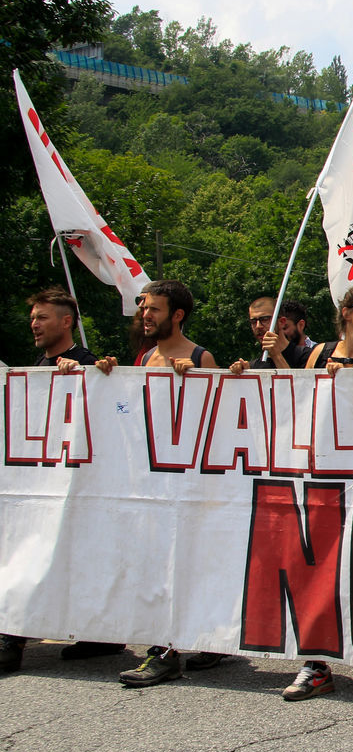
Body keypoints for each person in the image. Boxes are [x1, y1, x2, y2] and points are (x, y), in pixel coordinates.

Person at [95, 280, 226, 686]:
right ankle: (171, 644)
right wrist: (108, 380)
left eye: (153, 308)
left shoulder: (201, 357)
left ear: (178, 315)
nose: (144, 315)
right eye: (142, 308)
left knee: (188, 564)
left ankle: (174, 650)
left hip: (191, 484)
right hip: (151, 484)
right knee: (156, 565)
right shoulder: (145, 357)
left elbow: (222, 423)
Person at [281, 283, 353, 705]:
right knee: (316, 567)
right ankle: (315, 663)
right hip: (317, 473)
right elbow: (282, 394)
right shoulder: (315, 353)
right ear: (345, 312)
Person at [0, 289, 122, 674]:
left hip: (76, 482)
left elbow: (111, 402)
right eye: (33, 317)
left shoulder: (86, 362)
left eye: (42, 317)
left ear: (67, 322)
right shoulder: (38, 365)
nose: (34, 324)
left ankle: (15, 638)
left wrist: (90, 374)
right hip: (41, 477)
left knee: (59, 556)